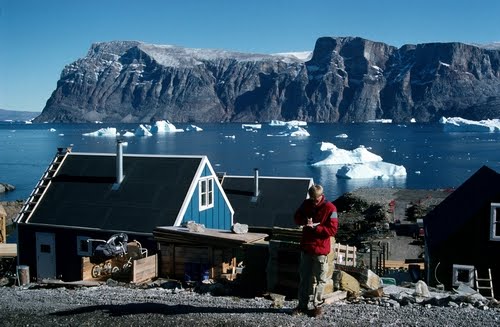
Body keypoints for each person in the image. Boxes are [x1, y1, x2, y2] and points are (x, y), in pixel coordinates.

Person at [292, 184, 338, 317]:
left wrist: (316, 228)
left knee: (320, 279)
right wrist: (305, 221)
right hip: (307, 247)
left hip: (320, 249)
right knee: (304, 278)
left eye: (315, 199)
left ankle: (317, 306)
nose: (313, 201)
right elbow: (296, 217)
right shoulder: (306, 204)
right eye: (311, 199)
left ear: (321, 196)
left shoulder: (331, 208)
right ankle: (302, 305)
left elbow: (333, 230)